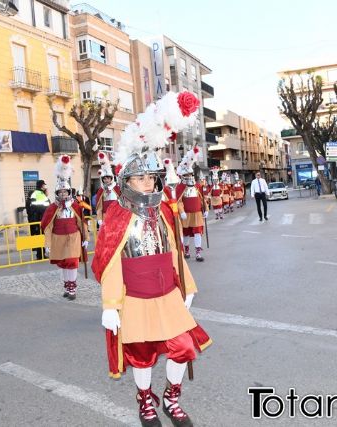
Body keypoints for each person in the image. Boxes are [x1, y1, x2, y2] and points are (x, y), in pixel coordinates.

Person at [92, 90, 211, 427]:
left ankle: (172, 398)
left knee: (183, 346)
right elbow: (111, 260)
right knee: (141, 356)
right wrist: (110, 305)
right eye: (140, 178)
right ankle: (146, 401)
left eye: (151, 178)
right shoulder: (116, 215)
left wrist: (186, 284)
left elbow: (175, 250)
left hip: (167, 294)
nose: (147, 184)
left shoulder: (164, 211)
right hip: (135, 295)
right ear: (126, 181)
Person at [40, 155, 89, 300]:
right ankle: (67, 287)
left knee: (72, 262)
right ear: (57, 193)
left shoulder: (75, 206)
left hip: (73, 237)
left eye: (65, 192)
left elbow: (82, 223)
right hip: (58, 238)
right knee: (63, 264)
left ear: (69, 192)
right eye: (60, 192)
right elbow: (48, 227)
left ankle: (73, 289)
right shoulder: (52, 208)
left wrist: (85, 237)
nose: (63, 194)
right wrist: (47, 245)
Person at [174, 146, 208, 262]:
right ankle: (187, 250)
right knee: (186, 234)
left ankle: (198, 252)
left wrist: (206, 209)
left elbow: (202, 199)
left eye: (190, 175)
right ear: (182, 176)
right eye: (187, 175)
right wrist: (182, 211)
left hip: (197, 214)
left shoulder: (198, 186)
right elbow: (178, 201)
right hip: (186, 215)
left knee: (198, 233)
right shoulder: (180, 188)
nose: (189, 177)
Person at [95, 151, 121, 228]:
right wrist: (99, 219)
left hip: (117, 215)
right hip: (106, 216)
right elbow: (99, 207)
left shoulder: (117, 188)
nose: (106, 180)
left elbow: (122, 204)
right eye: (104, 179)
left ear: (111, 178)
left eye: (108, 178)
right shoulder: (101, 191)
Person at [26, 179, 50, 260]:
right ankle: (41, 255)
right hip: (41, 219)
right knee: (42, 236)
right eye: (44, 185)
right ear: (41, 186)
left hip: (37, 219)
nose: (45, 187)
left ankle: (40, 255)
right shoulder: (40, 194)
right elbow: (45, 208)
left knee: (39, 236)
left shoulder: (35, 193)